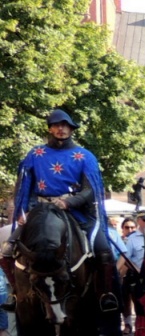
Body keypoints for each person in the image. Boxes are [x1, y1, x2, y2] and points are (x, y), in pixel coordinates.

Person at [2, 109, 118, 312]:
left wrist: (69, 202)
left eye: (66, 125)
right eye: (56, 125)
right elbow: (25, 187)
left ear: (72, 129)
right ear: (50, 128)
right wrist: (26, 211)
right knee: (7, 250)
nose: (61, 128)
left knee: (104, 250)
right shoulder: (35, 154)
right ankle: (15, 293)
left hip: (75, 212)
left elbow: (91, 190)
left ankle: (105, 294)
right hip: (39, 211)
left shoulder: (85, 156)